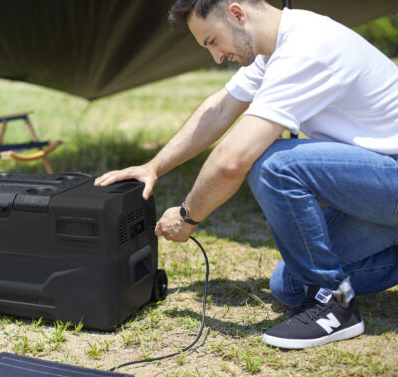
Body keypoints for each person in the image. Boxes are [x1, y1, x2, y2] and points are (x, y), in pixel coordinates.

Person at [94, 0, 398, 349]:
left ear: (237, 14)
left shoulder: (309, 47)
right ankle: (324, 286)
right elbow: (220, 109)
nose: (217, 57)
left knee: (273, 164)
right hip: (379, 187)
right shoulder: (273, 49)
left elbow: (232, 160)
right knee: (290, 286)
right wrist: (153, 167)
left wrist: (187, 216)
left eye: (212, 41)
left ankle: (335, 305)